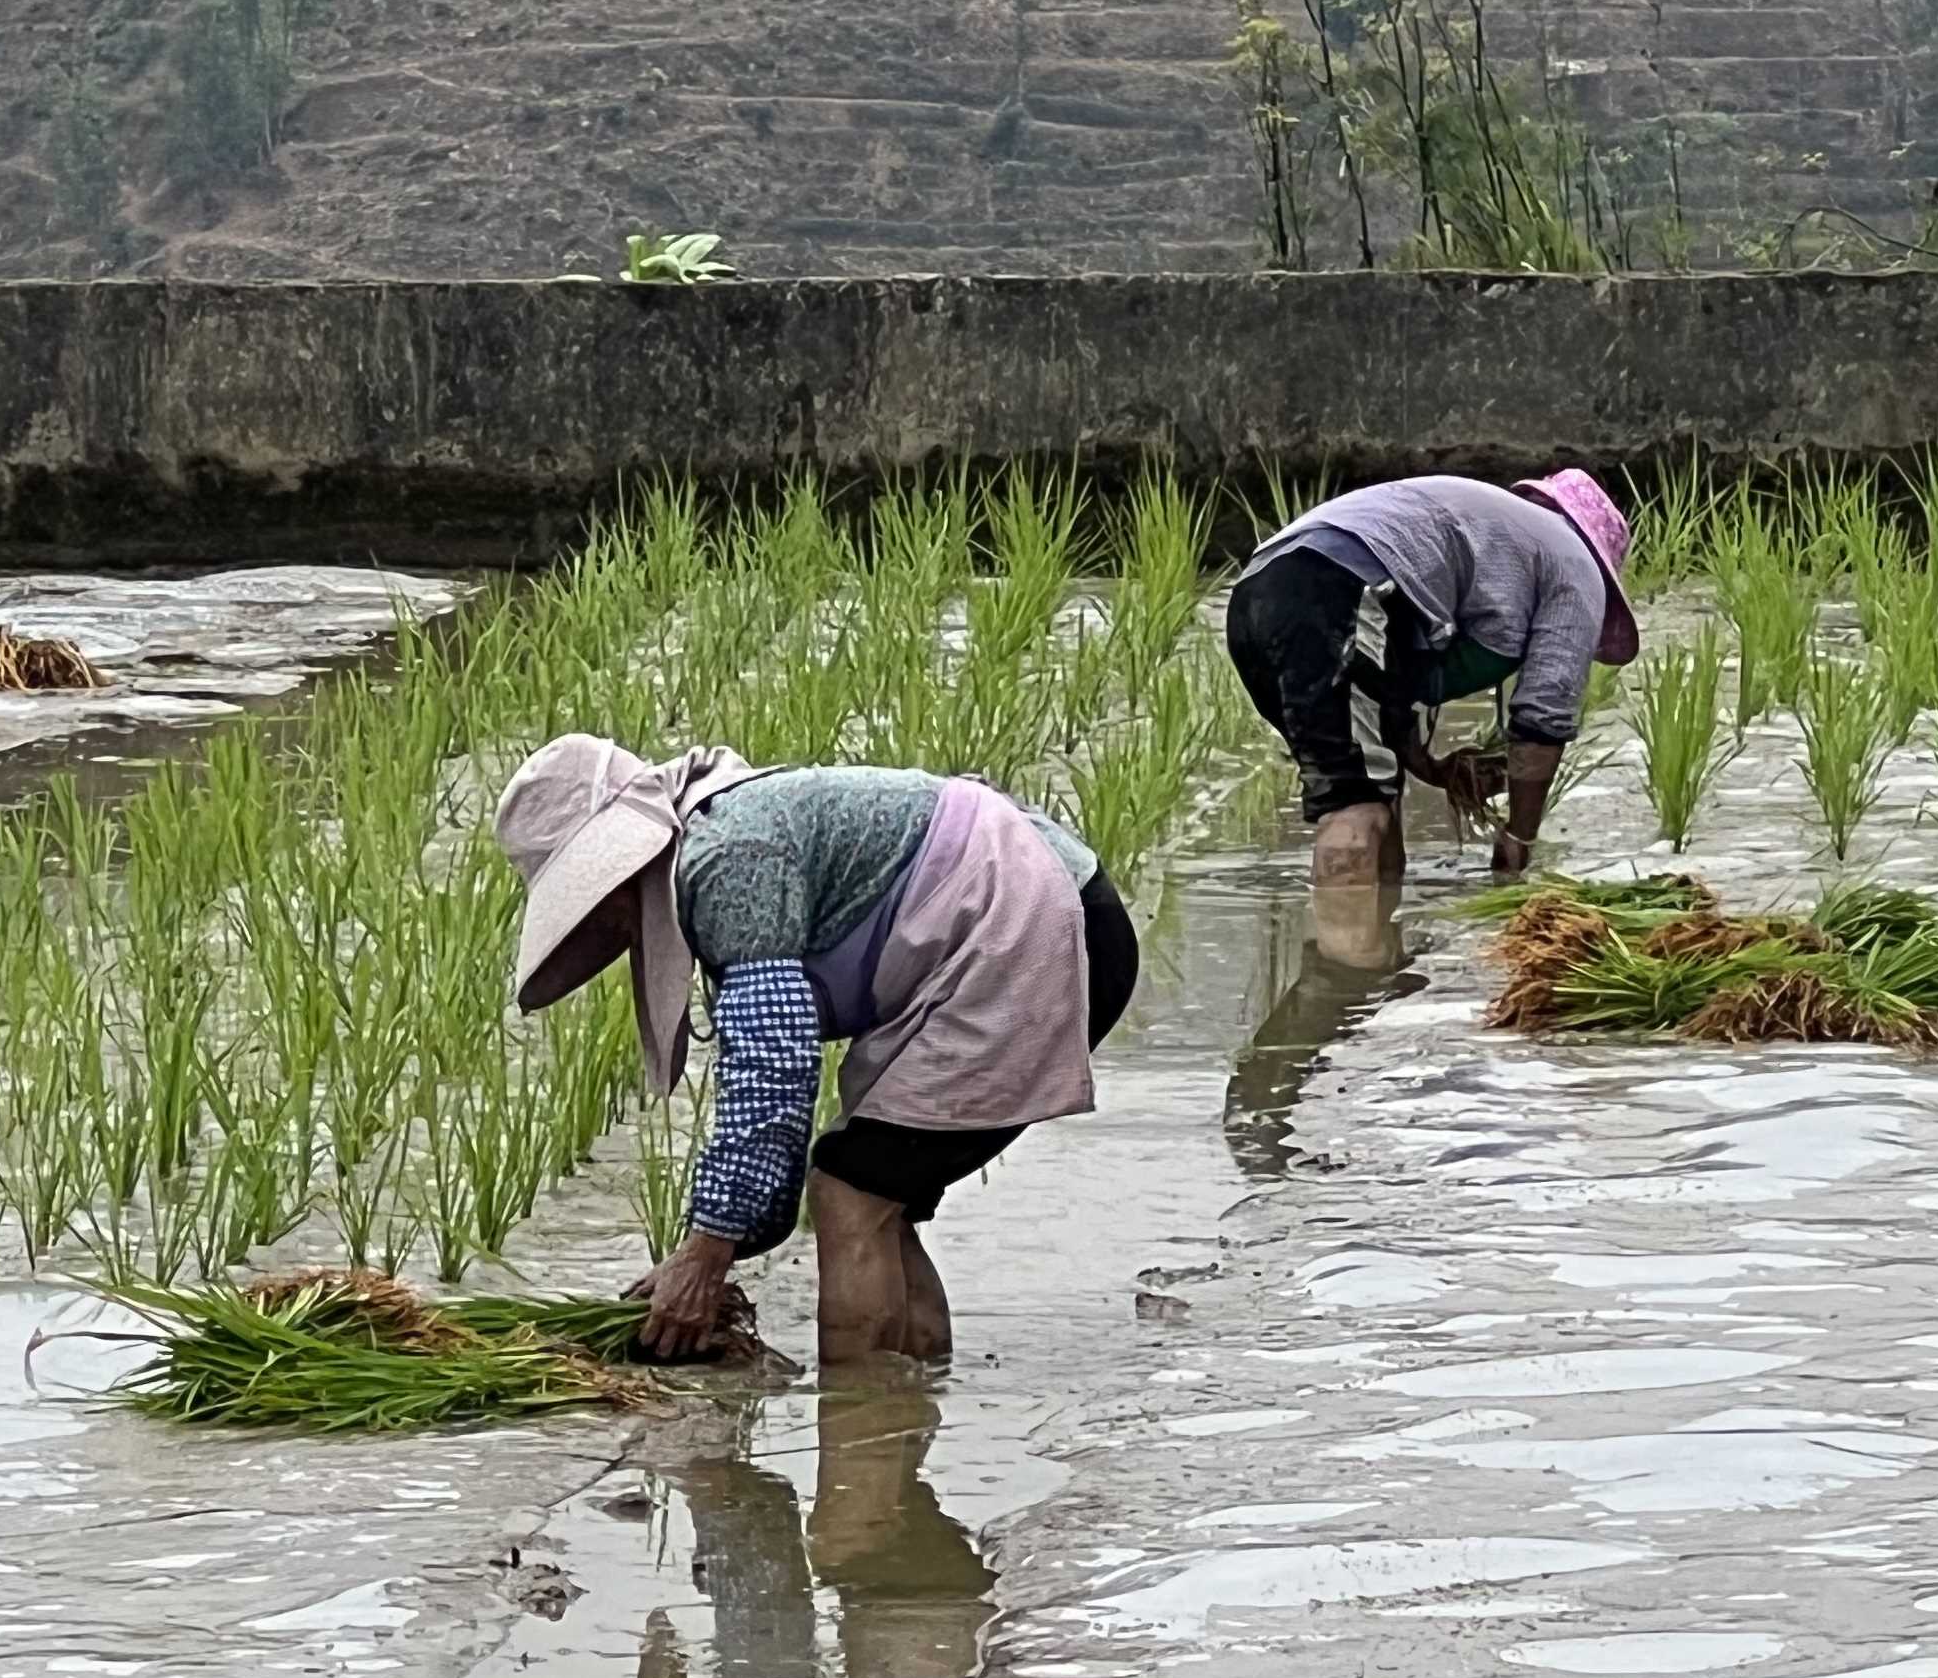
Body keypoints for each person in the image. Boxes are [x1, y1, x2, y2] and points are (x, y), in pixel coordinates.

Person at [496, 739, 1135, 1369]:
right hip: (1040, 914)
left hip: (1034, 928)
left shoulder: (727, 859)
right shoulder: (722, 838)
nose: (602, 921)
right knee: (879, 1197)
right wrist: (714, 1245)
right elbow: (763, 1065)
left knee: (849, 1193)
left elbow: (772, 1070)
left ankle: (860, 1438)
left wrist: (707, 1251)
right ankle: (912, 1400)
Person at [1223, 470, 1640, 893]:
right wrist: (1519, 835)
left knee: (1373, 786)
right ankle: (1348, 959)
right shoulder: (1575, 564)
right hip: (1335, 587)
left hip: (1254, 593)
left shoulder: (1495, 531)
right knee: (1354, 806)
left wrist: (1433, 769)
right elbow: (1545, 715)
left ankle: (1380, 949)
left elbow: (1391, 685)